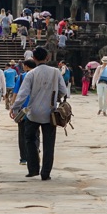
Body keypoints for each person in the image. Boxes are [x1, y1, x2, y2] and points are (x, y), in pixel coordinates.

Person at [11, 46, 69, 181]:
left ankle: (33, 169)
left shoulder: (31, 74)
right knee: (49, 144)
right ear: (47, 57)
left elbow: (23, 94)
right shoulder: (55, 72)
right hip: (50, 113)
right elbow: (63, 91)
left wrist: (15, 108)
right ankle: (46, 173)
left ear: (34, 58)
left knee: (30, 139)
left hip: (33, 113)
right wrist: (55, 97)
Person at [15, 58, 38, 165]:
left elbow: (17, 93)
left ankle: (24, 158)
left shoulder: (22, 76)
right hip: (36, 108)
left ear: (27, 66)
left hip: (24, 109)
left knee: (22, 134)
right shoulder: (39, 76)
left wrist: (13, 106)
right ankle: (35, 153)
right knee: (36, 133)